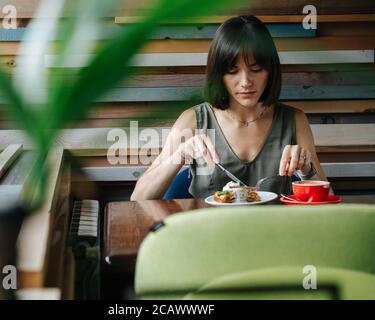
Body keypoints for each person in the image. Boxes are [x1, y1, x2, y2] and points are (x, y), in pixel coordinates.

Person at [131, 15, 328, 200]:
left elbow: (327, 198)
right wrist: (180, 155)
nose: (245, 82)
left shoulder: (294, 120)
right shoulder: (193, 119)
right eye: (232, 71)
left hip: (273, 232)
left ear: (270, 70)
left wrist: (306, 169)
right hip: (208, 233)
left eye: (256, 69)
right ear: (219, 75)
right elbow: (138, 197)